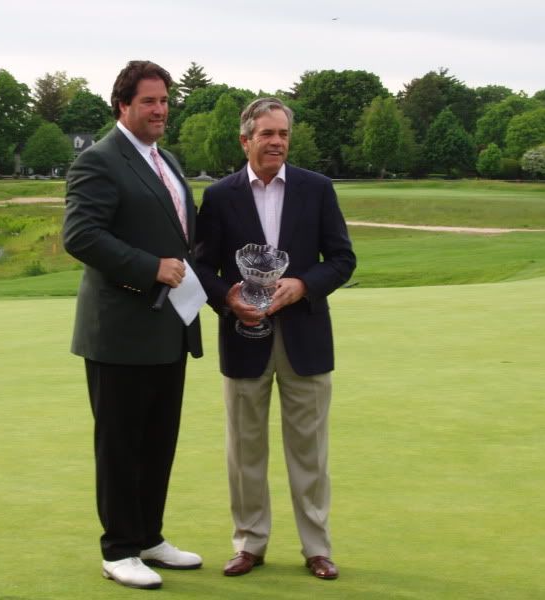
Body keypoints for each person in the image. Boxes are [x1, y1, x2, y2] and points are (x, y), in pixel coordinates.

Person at [195, 97, 355, 580]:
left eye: (283, 134)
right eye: (266, 134)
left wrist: (303, 284)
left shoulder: (318, 189)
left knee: (310, 452)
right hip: (244, 337)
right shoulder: (221, 196)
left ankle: (316, 548)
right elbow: (201, 266)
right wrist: (228, 297)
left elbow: (343, 260)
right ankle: (249, 543)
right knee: (245, 450)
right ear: (245, 140)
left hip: (305, 339)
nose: (277, 142)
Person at [62, 60, 203, 591]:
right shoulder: (101, 160)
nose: (161, 110)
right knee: (121, 444)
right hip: (120, 332)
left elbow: (179, 233)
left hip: (168, 327)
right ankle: (118, 548)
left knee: (158, 440)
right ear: (122, 105)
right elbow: (81, 235)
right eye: (149, 101)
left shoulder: (164, 159)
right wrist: (151, 268)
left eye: (165, 100)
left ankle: (148, 537)